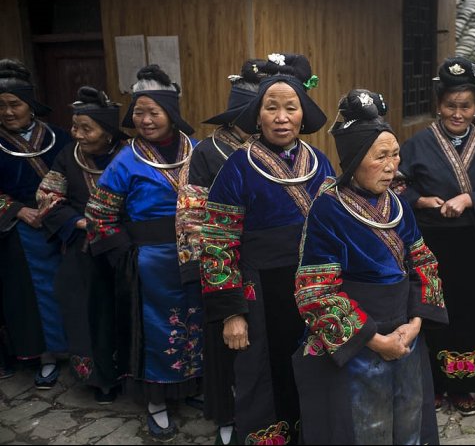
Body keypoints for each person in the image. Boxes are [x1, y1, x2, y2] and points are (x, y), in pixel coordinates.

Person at [293, 89, 448, 445]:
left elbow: (423, 263)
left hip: (405, 335)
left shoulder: (398, 205)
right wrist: (376, 340)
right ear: (354, 159)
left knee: (408, 420)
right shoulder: (328, 210)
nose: (392, 165)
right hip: (358, 340)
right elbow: (315, 292)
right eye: (381, 157)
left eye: (395, 155)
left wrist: (415, 323)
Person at [200, 53, 334, 444]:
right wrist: (231, 314)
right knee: (262, 379)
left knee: (314, 372)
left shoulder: (320, 162)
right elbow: (218, 245)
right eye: (270, 108)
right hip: (258, 292)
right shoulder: (236, 168)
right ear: (256, 116)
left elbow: (334, 230)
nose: (280, 117)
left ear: (302, 115)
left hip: (311, 291)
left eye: (290, 108)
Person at [84, 65, 200, 441]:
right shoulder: (126, 160)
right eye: (138, 112)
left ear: (172, 112)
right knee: (155, 331)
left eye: (154, 112)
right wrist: (126, 257)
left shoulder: (196, 152)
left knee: (196, 323)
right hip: (150, 262)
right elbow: (99, 214)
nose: (145, 120)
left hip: (197, 256)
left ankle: (193, 386)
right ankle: (157, 401)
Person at [396, 57, 475, 416]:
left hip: (474, 246)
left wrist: (470, 199)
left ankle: (464, 387)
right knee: (430, 311)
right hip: (429, 245)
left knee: (470, 314)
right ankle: (431, 384)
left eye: (465, 106)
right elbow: (395, 184)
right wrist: (421, 200)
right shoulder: (415, 145)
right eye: (450, 105)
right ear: (438, 105)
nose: (457, 114)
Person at [175, 59, 265, 445]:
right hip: (223, 259)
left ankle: (268, 413)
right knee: (228, 341)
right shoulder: (208, 151)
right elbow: (191, 212)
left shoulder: (273, 148)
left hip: (267, 261)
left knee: (264, 342)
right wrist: (203, 269)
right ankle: (228, 415)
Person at [36, 86, 126, 404]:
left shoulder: (128, 156)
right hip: (82, 250)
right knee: (86, 314)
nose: (78, 134)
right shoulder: (67, 157)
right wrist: (79, 222)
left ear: (109, 132)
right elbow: (47, 197)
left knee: (124, 313)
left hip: (122, 251)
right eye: (75, 127)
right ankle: (100, 380)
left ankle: (131, 374)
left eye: (87, 128)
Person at [0, 58, 71, 388]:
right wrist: (15, 209)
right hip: (19, 232)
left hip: (62, 225)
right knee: (32, 295)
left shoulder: (59, 136)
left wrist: (60, 210)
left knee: (69, 288)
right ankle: (44, 355)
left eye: (15, 104)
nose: (8, 112)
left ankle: (76, 351)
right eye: (1, 106)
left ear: (30, 105)